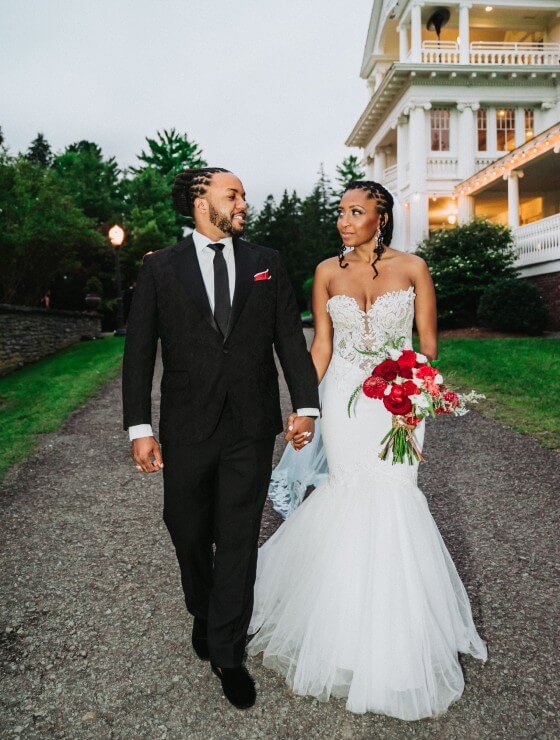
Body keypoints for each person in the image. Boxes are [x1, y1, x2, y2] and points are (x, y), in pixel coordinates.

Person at [248, 181, 487, 720]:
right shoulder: (326, 272)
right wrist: (306, 407)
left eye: (356, 211)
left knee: (396, 495)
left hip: (399, 396)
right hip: (344, 398)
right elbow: (323, 344)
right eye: (341, 211)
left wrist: (414, 392)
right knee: (348, 491)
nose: (344, 220)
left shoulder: (414, 268)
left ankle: (399, 638)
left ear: (382, 217)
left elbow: (426, 343)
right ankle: (339, 634)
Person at [121, 168, 319, 710]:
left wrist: (306, 404)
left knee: (237, 537)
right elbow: (138, 351)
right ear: (199, 200)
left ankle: (227, 652)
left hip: (250, 425)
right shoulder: (160, 268)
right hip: (187, 424)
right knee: (184, 525)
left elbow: (287, 338)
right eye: (233, 194)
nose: (243, 204)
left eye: (244, 195)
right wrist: (139, 427)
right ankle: (204, 610)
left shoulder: (266, 263)